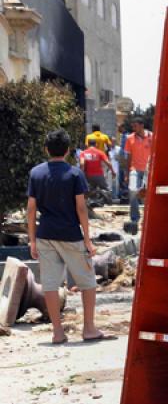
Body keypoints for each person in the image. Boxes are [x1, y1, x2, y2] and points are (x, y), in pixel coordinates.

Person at [26, 129, 108, 344]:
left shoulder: (36, 173)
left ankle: (57, 332)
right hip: (71, 235)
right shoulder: (74, 174)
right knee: (88, 281)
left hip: (45, 235)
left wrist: (32, 239)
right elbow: (81, 208)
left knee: (50, 284)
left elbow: (31, 209)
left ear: (46, 149)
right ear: (68, 150)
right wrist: (88, 239)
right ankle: (89, 328)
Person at [124, 118, 153, 225]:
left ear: (142, 125)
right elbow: (128, 157)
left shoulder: (152, 136)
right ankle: (134, 218)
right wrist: (126, 174)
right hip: (134, 169)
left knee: (147, 195)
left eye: (135, 126)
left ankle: (147, 218)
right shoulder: (129, 138)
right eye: (133, 126)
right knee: (132, 191)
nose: (133, 128)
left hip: (148, 170)